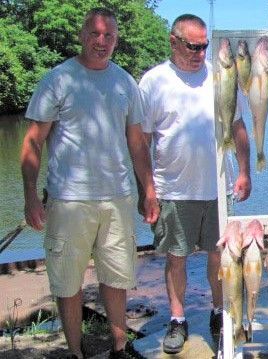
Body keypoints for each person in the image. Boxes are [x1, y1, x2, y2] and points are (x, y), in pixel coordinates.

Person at [20, 7, 159, 359]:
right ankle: (76, 352)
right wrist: (31, 197)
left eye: (108, 35)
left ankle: (118, 347)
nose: (101, 41)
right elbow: (33, 142)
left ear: (116, 40)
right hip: (69, 200)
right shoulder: (58, 80)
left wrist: (149, 190)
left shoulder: (125, 82)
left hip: (117, 199)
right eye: (95, 34)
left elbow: (138, 144)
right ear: (82, 36)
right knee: (68, 283)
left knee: (117, 278)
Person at [138, 14, 252, 355]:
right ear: (173, 42)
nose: (200, 52)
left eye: (204, 46)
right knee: (176, 257)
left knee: (219, 257)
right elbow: (141, 142)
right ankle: (177, 319)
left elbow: (238, 126)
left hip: (218, 188)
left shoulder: (221, 77)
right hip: (172, 189)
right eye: (193, 46)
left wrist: (245, 170)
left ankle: (220, 313)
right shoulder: (154, 82)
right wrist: (147, 189)